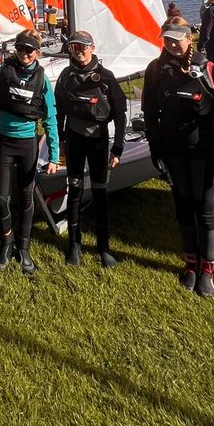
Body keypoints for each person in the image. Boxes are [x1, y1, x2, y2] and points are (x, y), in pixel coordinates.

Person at [142, 18, 214, 298]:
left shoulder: (208, 69)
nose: (172, 44)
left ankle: (208, 270)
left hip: (204, 151)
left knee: (205, 211)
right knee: (183, 208)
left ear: (189, 38)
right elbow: (150, 113)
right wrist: (155, 150)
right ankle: (191, 265)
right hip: (174, 151)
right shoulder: (156, 70)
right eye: (167, 39)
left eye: (177, 39)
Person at [0, 29, 59, 274]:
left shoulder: (42, 80)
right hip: (4, 143)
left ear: (37, 52)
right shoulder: (3, 72)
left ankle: (23, 247)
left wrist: (53, 155)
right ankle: (6, 243)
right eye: (20, 48)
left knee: (26, 197)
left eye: (29, 50)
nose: (24, 54)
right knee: (2, 198)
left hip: (27, 144)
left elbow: (51, 118)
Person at [55, 30, 126, 269]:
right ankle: (74, 245)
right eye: (74, 47)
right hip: (74, 139)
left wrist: (117, 148)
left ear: (93, 48)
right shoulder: (66, 76)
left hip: (98, 141)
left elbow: (120, 114)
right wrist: (61, 140)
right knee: (74, 191)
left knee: (99, 192)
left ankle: (103, 247)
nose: (79, 52)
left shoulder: (106, 77)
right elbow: (59, 112)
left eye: (83, 47)